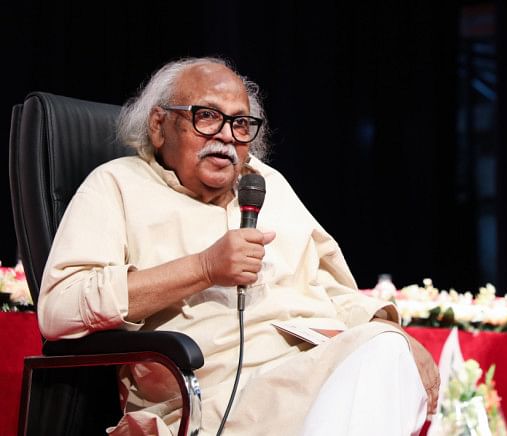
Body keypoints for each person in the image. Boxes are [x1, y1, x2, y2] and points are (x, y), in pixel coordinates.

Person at [38, 57, 439, 435]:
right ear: (159, 126)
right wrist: (204, 268)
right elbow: (60, 309)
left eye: (241, 123)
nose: (227, 136)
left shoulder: (266, 183)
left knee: (389, 354)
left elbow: (331, 289)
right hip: (213, 401)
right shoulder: (117, 185)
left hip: (309, 376)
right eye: (207, 117)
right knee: (383, 361)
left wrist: (389, 331)